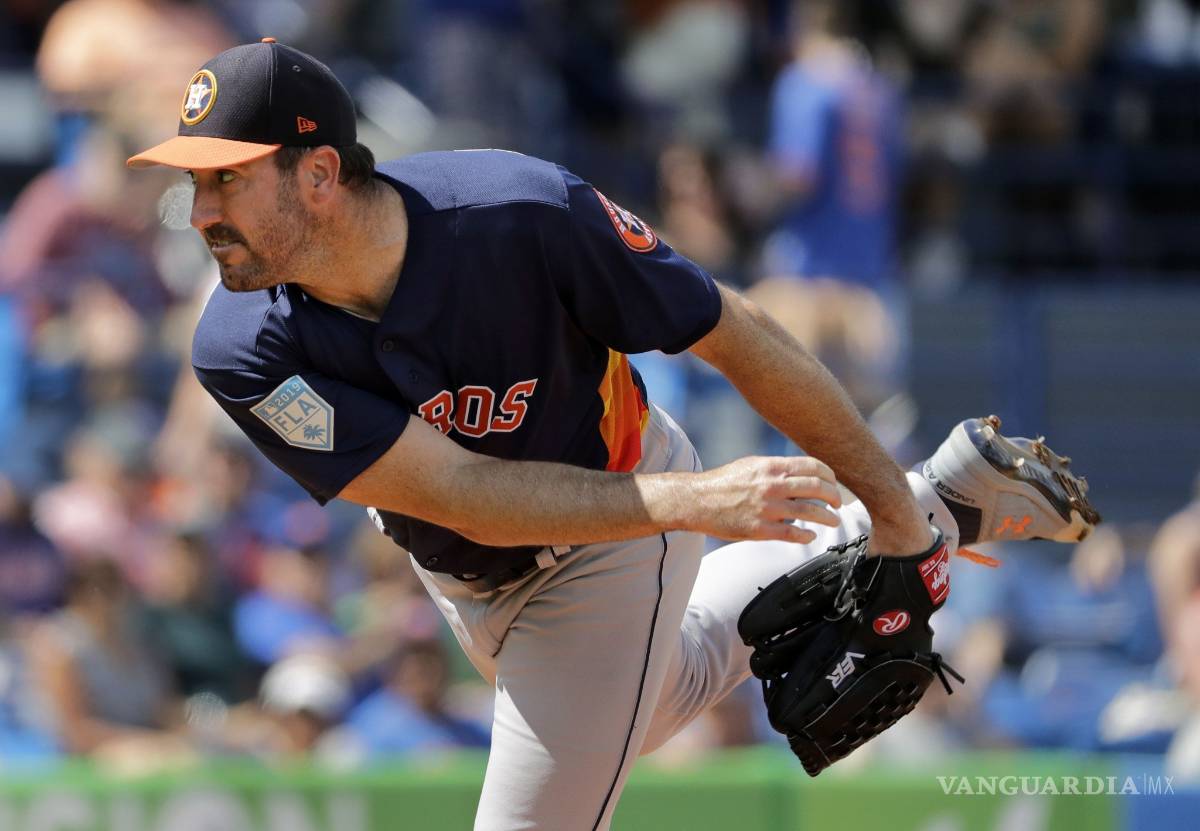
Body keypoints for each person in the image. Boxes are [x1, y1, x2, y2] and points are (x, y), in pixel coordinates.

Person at [127, 39, 1099, 830]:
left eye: (227, 181)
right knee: (669, 678)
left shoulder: (518, 215)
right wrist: (878, 514)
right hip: (479, 559)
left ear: (321, 175)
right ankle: (948, 498)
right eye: (195, 182)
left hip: (613, 530)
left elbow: (735, 332)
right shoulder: (239, 342)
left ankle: (918, 503)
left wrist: (846, 502)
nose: (202, 211)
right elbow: (459, 494)